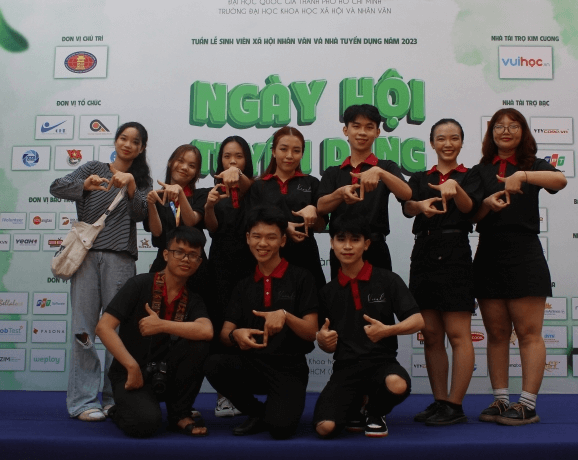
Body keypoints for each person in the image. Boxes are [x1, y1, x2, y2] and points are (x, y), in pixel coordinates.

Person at [49, 122, 153, 421]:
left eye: (135, 141)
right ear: (116, 141)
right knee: (83, 328)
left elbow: (142, 215)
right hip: (86, 257)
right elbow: (56, 187)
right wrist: (85, 184)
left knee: (117, 331)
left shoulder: (142, 180)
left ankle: (113, 397)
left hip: (120, 260)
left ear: (141, 148)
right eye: (123, 138)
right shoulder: (93, 168)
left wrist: (131, 185)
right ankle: (82, 401)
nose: (127, 145)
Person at [471, 108, 567, 425]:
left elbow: (560, 180)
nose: (506, 131)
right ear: (491, 133)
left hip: (525, 253)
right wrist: (486, 205)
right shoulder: (481, 170)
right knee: (497, 334)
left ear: (523, 132)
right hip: (488, 253)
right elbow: (470, 215)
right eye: (499, 126)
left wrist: (522, 176)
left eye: (513, 126)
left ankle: (527, 404)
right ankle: (500, 400)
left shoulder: (532, 165)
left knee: (528, 333)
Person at [203, 206, 319, 439]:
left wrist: (285, 315)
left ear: (283, 241)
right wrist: (235, 336)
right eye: (256, 236)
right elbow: (225, 334)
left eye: (271, 237)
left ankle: (271, 416)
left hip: (289, 368)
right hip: (251, 364)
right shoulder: (243, 284)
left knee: (281, 430)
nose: (262, 243)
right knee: (213, 364)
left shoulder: (301, 277)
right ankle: (257, 412)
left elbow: (311, 332)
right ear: (248, 238)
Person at [95, 227, 213, 438]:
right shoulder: (140, 284)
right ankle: (117, 410)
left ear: (198, 262)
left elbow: (206, 330)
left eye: (192, 255)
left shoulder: (193, 298)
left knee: (200, 342)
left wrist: (162, 325)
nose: (185, 259)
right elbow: (103, 327)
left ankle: (180, 413)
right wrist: (131, 366)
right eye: (179, 252)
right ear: (166, 254)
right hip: (132, 373)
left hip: (167, 373)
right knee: (145, 424)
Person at [314, 215, 423, 438]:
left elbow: (418, 321)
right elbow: (327, 343)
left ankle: (374, 411)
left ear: (366, 244)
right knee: (325, 428)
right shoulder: (327, 292)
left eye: (355, 239)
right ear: (332, 243)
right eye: (341, 239)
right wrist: (323, 341)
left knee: (397, 384)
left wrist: (388, 330)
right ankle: (355, 405)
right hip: (345, 369)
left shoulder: (388, 280)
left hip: (382, 364)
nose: (347, 246)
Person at [403, 119, 482, 425]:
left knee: (459, 334)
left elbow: (470, 209)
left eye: (454, 138)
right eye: (441, 138)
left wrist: (456, 188)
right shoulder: (420, 177)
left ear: (461, 142)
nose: (447, 143)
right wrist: (419, 206)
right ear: (432, 143)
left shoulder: (471, 175)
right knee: (432, 335)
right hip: (423, 251)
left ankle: (455, 405)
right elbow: (407, 207)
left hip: (455, 252)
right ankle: (440, 402)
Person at [317, 104, 412, 278]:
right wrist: (340, 194)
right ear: (346, 130)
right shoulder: (333, 172)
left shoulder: (386, 166)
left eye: (369, 127)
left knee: (382, 294)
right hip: (342, 249)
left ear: (377, 132)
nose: (362, 132)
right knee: (341, 294)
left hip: (375, 247)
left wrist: (380, 173)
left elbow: (406, 194)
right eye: (356, 126)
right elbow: (321, 207)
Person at [204, 135, 255, 417]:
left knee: (248, 323)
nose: (232, 161)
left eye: (238, 156)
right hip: (221, 265)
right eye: (227, 156)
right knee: (222, 324)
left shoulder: (256, 188)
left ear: (247, 159)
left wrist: (239, 178)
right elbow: (212, 229)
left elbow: (251, 189)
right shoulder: (214, 190)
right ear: (219, 160)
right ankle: (224, 395)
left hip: (251, 266)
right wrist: (209, 206)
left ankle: (247, 393)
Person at [246, 126, 327, 288]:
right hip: (268, 259)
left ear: (302, 154)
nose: (289, 155)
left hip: (306, 258)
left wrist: (314, 212)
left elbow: (321, 226)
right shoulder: (258, 186)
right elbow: (250, 223)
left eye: (296, 151)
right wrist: (283, 227)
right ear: (273, 151)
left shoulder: (311, 183)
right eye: (283, 149)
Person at [145, 144, 207, 273]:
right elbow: (156, 233)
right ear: (170, 162)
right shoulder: (156, 197)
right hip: (164, 265)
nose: (184, 167)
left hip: (195, 268)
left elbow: (191, 221)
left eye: (192, 166)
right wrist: (151, 204)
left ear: (196, 173)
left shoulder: (201, 196)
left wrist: (180, 192)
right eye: (180, 161)